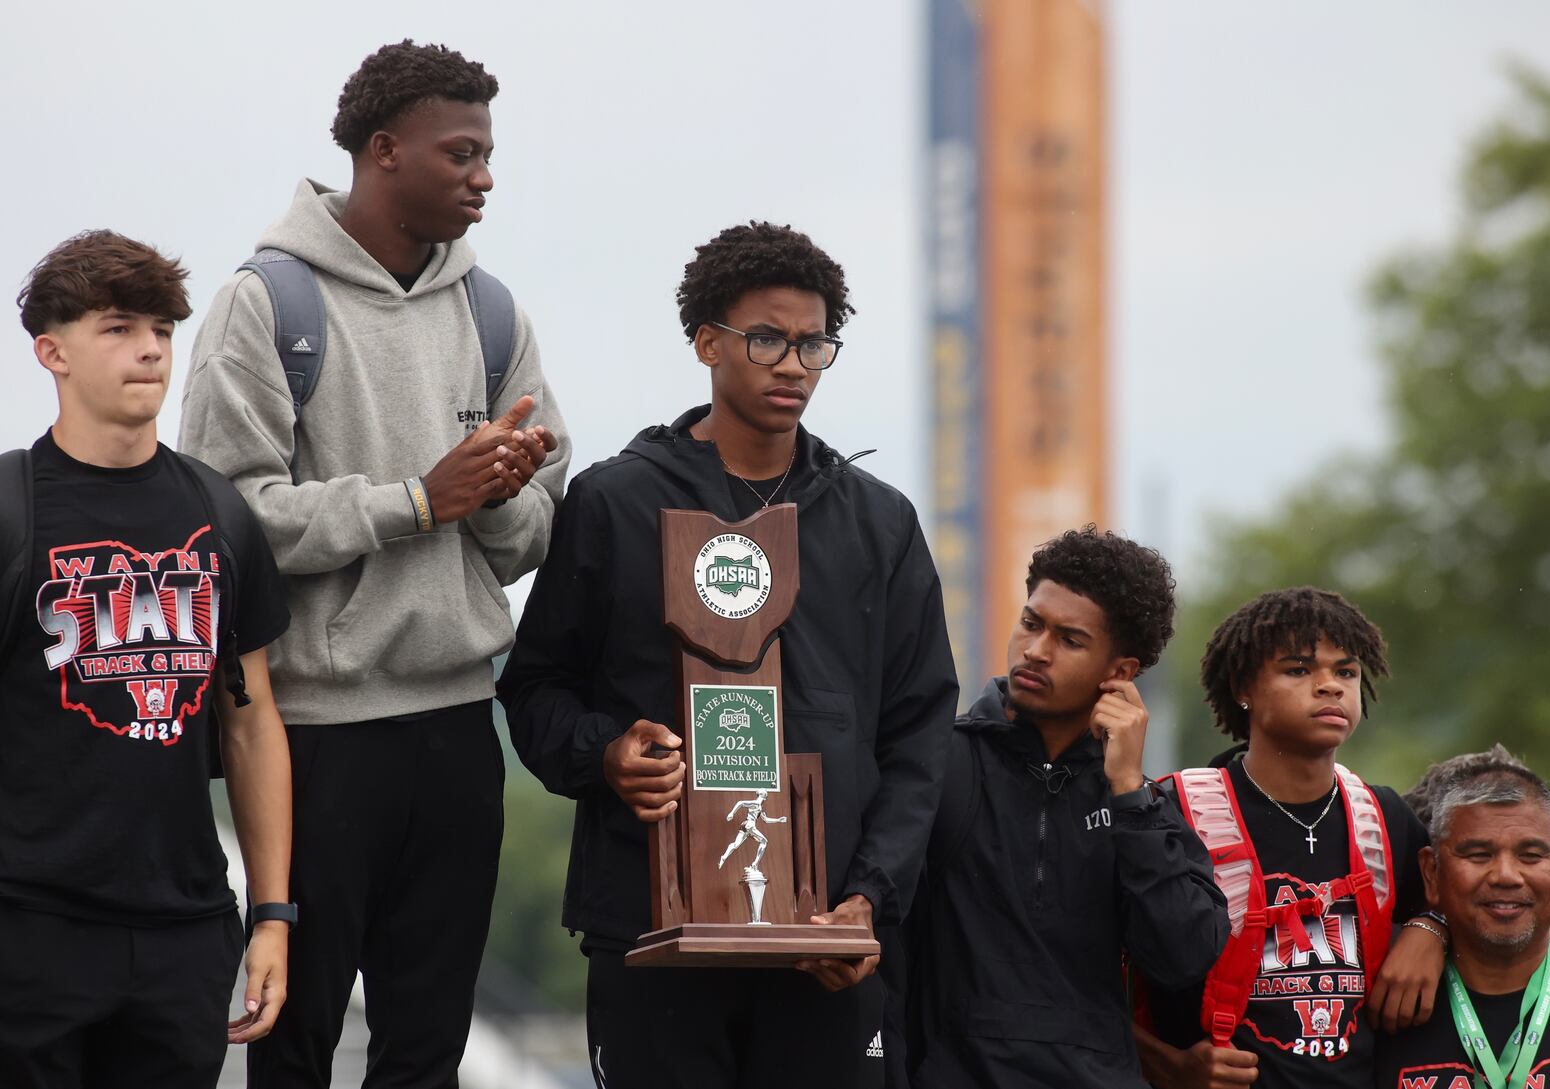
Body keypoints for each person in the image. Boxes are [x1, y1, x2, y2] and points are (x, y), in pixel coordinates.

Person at [178, 39, 570, 1088]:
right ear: (385, 150)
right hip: (311, 741)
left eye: (489, 154)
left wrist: (491, 499)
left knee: (427, 1052)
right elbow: (225, 525)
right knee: (297, 1045)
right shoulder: (263, 308)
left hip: (457, 731)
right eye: (464, 153)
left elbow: (536, 531)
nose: (486, 176)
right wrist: (415, 502)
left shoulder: (495, 314)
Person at [498, 220, 959, 1089]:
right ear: (708, 342)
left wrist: (866, 901)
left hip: (826, 940)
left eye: (815, 342)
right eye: (767, 338)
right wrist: (606, 753)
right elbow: (534, 692)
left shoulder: (880, 523)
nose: (793, 363)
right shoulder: (615, 502)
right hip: (651, 929)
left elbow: (920, 731)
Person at [1, 230, 293, 1087]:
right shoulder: (13, 511)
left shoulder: (219, 514)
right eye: (120, 327)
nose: (149, 350)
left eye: (163, 330)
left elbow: (251, 722)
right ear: (51, 352)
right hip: (28, 927)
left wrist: (271, 913)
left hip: (184, 931)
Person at [900, 526, 1228, 1088]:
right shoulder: (937, 763)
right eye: (1031, 623)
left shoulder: (1142, 803)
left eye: (1069, 640)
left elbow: (1184, 955)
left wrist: (1127, 790)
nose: (1035, 651)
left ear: (1120, 672)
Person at [1136, 587, 1447, 1089]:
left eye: (1345, 671)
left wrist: (1432, 928)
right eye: (1299, 670)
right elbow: (1080, 968)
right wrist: (1164, 1066)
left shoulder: (1383, 814)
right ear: (1243, 687)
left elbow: (1463, 904)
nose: (1330, 686)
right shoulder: (1174, 811)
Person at [1377, 745, 1550, 1088]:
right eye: (1479, 855)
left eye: (1531, 855)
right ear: (1431, 873)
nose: (1506, 875)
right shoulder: (1383, 1000)